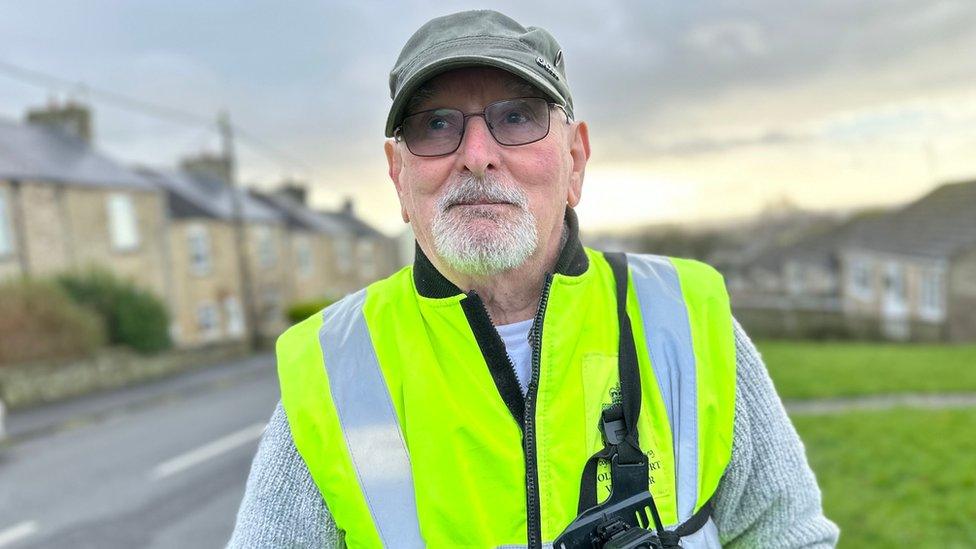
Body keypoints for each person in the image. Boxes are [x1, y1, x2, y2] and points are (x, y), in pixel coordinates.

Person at [229, 9, 839, 548]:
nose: (475, 154)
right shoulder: (333, 366)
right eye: (435, 125)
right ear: (398, 177)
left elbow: (786, 534)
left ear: (575, 160)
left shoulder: (685, 318)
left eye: (517, 117)